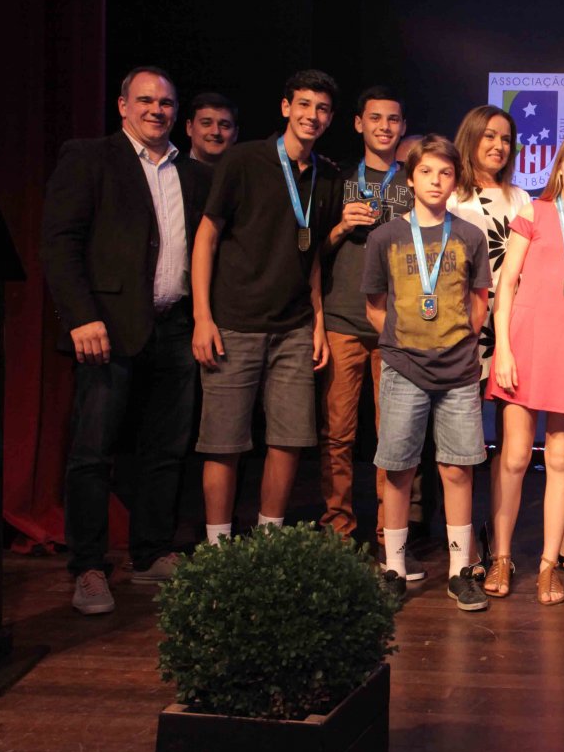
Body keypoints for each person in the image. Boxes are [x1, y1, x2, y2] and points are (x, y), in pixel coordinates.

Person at [41, 66, 212, 614]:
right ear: (122, 106)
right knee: (93, 453)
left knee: (166, 449)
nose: (156, 110)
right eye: (145, 100)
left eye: (166, 103)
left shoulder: (192, 172)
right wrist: (80, 317)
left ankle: (151, 553)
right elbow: (60, 243)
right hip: (106, 328)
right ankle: (89, 567)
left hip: (175, 326)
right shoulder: (90, 157)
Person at [190, 69, 344, 544]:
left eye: (322, 109)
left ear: (330, 118)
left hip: (294, 327)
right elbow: (206, 237)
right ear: (285, 108)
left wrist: (317, 323)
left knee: (289, 438)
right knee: (224, 442)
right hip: (233, 324)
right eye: (304, 105)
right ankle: (218, 549)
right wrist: (202, 317)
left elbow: (312, 255)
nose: (312, 115)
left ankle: (268, 544)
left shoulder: (328, 174)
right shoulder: (244, 160)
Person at [363, 134, 493, 608]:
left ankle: (461, 571)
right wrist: (405, 343)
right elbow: (375, 306)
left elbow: (479, 304)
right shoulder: (385, 237)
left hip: (458, 372)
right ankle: (394, 569)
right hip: (403, 369)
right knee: (398, 469)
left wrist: (454, 343)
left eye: (445, 173)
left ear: (455, 180)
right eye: (426, 172)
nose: (435, 181)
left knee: (457, 468)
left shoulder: (471, 236)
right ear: (411, 178)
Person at [486, 132, 564, 604]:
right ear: (559, 169)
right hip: (524, 343)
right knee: (515, 457)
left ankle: (547, 565)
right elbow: (506, 286)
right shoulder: (535, 213)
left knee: (561, 457)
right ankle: (501, 556)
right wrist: (503, 349)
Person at [316, 87, 411, 554]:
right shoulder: (335, 178)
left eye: (393, 119)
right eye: (375, 118)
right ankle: (338, 529)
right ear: (358, 124)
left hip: (397, 324)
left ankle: (389, 534)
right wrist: (340, 226)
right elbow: (310, 251)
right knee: (338, 434)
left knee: (393, 435)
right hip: (342, 319)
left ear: (403, 127)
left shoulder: (415, 179)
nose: (384, 127)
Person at [447, 105, 532, 383]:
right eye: (490, 136)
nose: (499, 146)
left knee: (510, 394)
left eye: (506, 140)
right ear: (471, 137)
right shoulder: (450, 197)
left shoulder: (521, 198)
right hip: (464, 312)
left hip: (510, 313)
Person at [184, 92, 238, 166]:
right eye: (206, 123)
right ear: (189, 128)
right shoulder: (171, 170)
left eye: (224, 125)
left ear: (235, 133)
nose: (216, 132)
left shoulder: (247, 172)